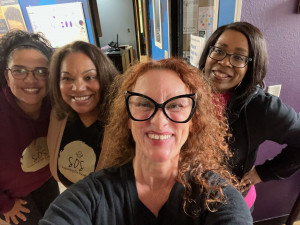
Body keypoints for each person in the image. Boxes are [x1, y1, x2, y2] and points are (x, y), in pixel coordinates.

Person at [40, 58, 253, 225]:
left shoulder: (218, 198)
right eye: (143, 103)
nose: (159, 121)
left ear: (193, 121)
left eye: (176, 105)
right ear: (127, 118)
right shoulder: (91, 196)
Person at [198, 21, 300, 209]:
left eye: (238, 57)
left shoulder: (261, 107)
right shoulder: (186, 89)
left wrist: (263, 172)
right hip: (189, 202)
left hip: (229, 205)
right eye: (219, 50)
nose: (224, 62)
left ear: (252, 66)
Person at [0, 30, 59, 224]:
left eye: (41, 71)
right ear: (6, 76)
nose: (31, 80)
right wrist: (4, 204)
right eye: (19, 70)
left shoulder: (55, 104)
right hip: (13, 197)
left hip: (46, 180)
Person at [47, 41, 119, 187]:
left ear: (104, 76)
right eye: (67, 78)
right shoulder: (57, 118)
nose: (78, 88)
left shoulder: (125, 125)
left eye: (89, 77)